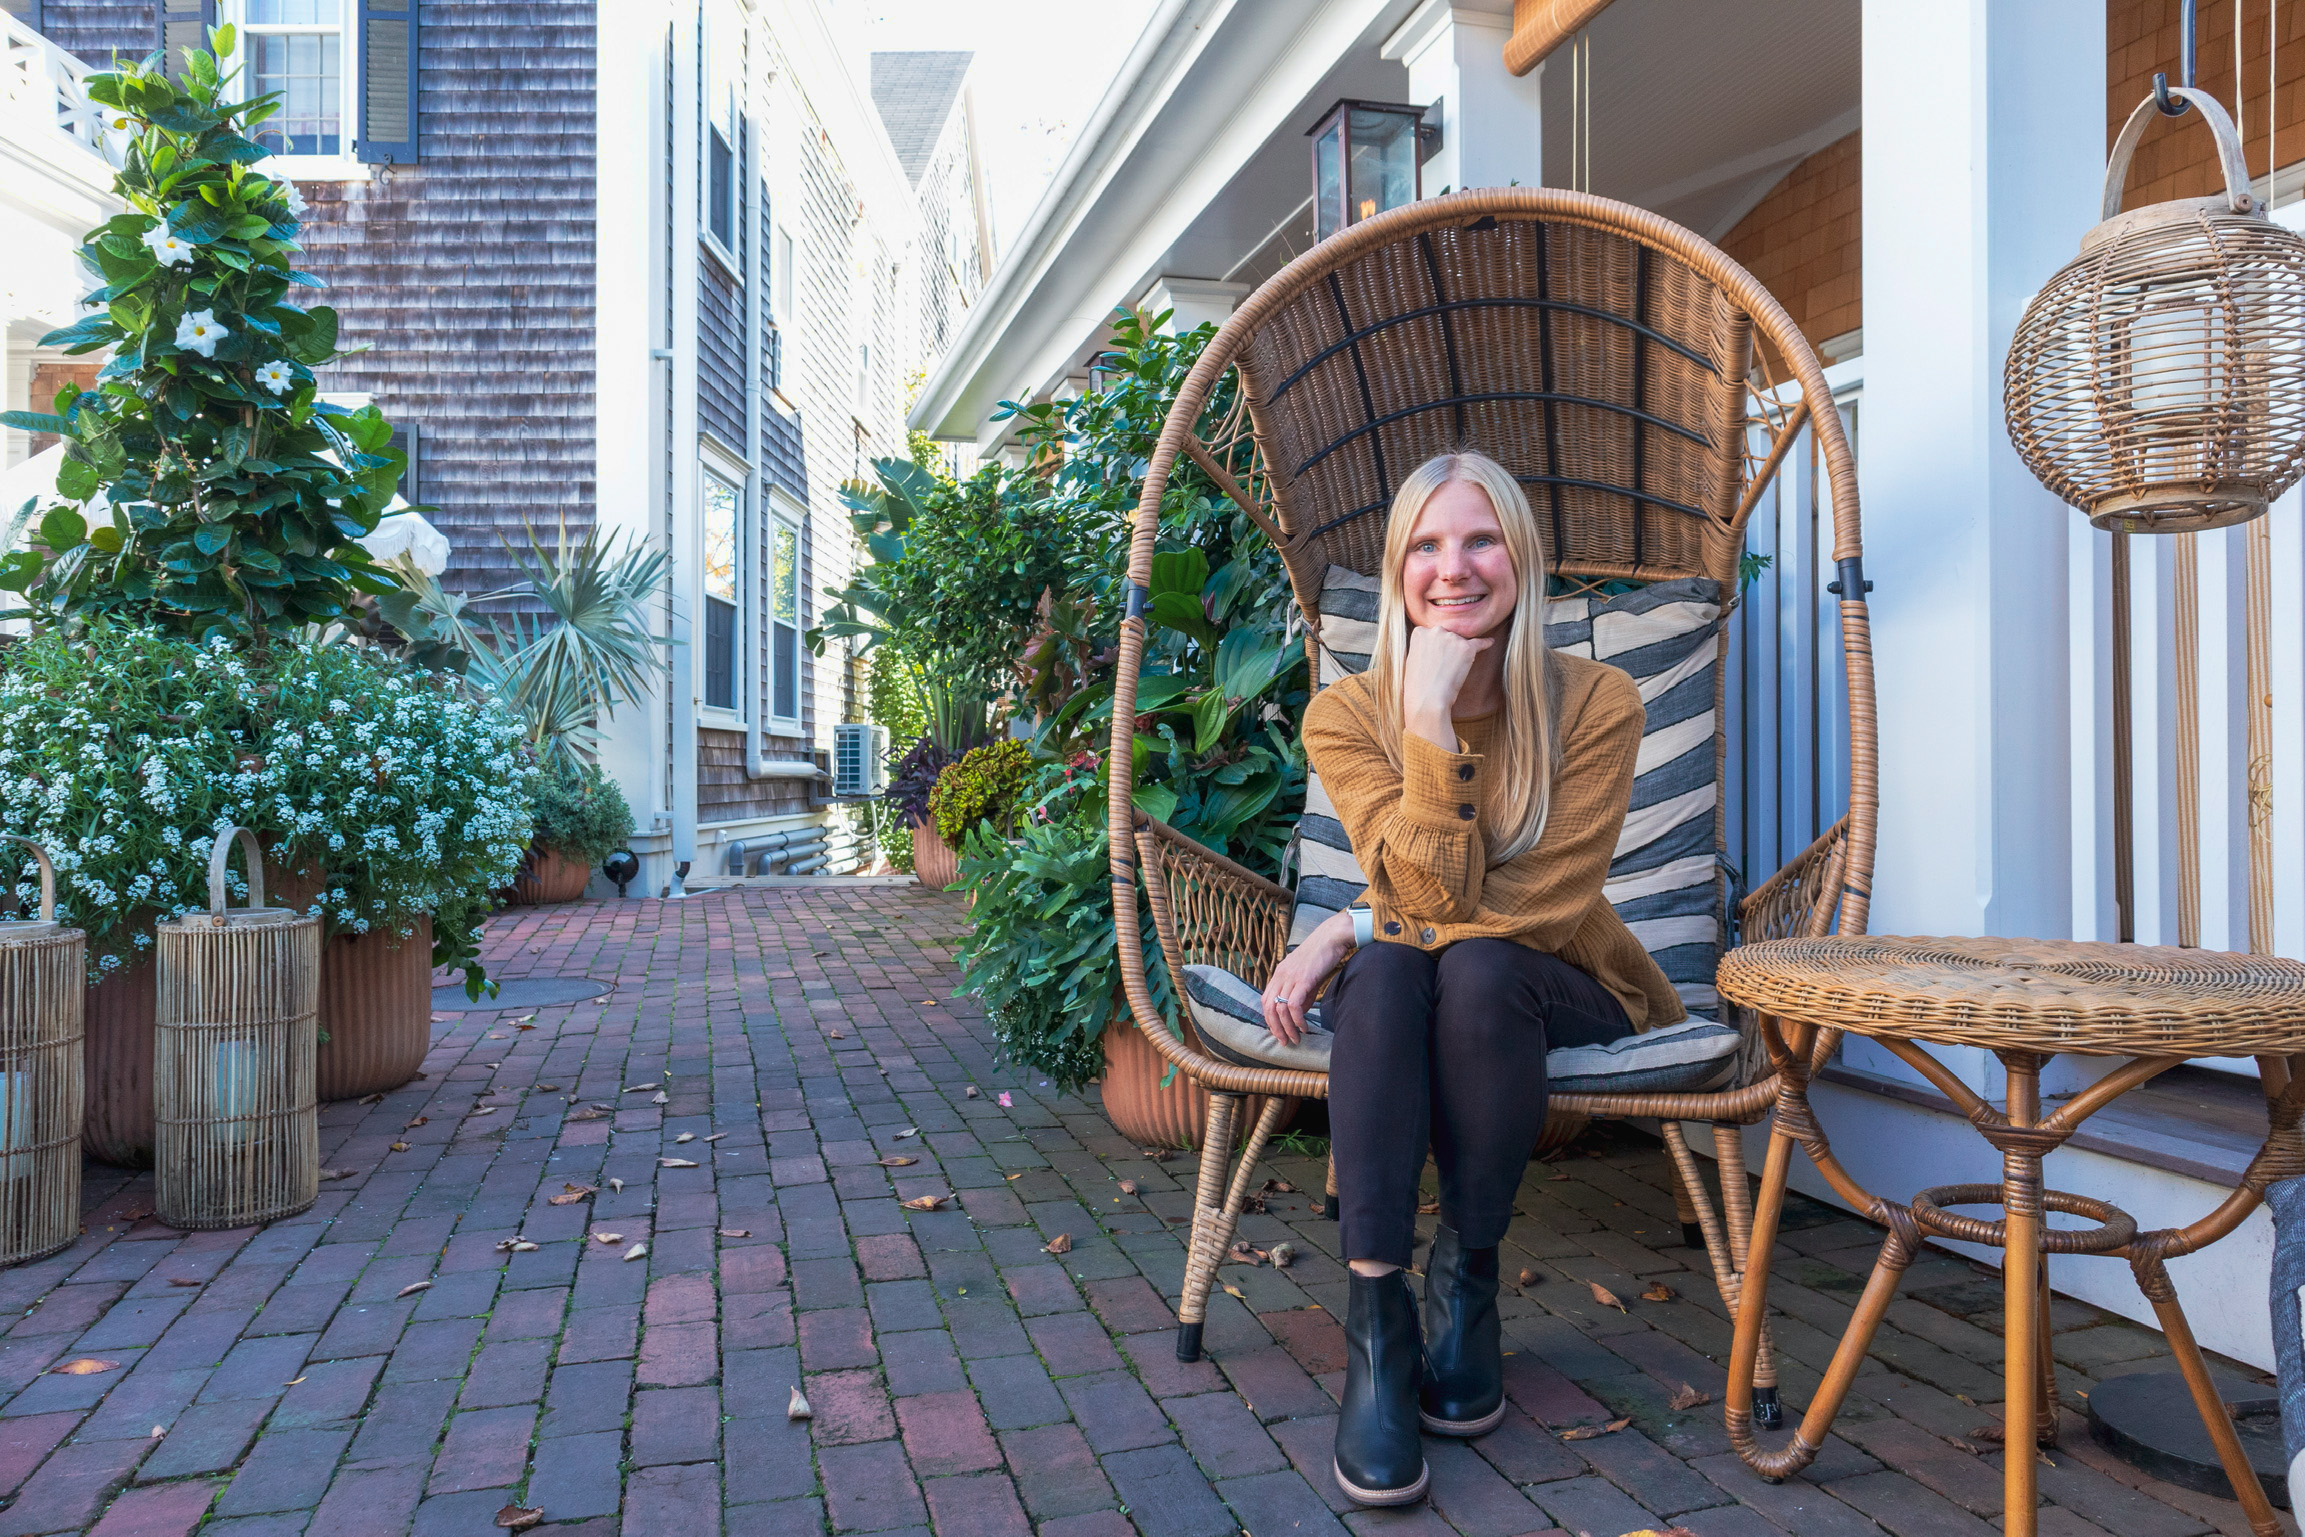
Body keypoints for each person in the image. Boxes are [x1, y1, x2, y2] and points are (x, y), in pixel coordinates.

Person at [1261, 450, 1684, 1506]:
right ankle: (1378, 1328)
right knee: (1397, 972)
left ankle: (1465, 1282)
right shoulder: (1346, 713)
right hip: (1424, 981)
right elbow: (1424, 891)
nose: (1453, 568)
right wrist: (1426, 720)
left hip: (1564, 979)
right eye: (1426, 545)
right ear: (1399, 570)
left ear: (1521, 557)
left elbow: (1540, 906)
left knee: (1479, 963)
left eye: (1480, 539)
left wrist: (1345, 924)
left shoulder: (1597, 701)